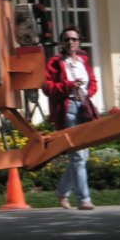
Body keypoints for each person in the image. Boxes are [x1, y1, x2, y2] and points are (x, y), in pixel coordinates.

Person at [43, 25, 98, 210]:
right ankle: (84, 199)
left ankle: (61, 192)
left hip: (84, 108)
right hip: (68, 109)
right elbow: (48, 87)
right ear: (61, 42)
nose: (70, 42)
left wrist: (87, 92)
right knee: (77, 158)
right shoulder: (56, 62)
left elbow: (93, 82)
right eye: (66, 39)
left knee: (84, 156)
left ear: (79, 42)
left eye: (74, 39)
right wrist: (69, 85)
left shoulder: (83, 60)